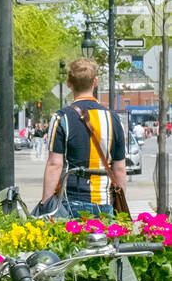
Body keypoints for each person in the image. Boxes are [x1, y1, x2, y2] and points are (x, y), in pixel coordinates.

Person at [40, 57, 126, 217]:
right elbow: (119, 167)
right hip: (105, 200)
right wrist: (121, 202)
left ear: (69, 83)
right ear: (95, 82)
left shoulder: (62, 118)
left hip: (72, 199)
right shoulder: (114, 119)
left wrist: (46, 202)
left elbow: (54, 165)